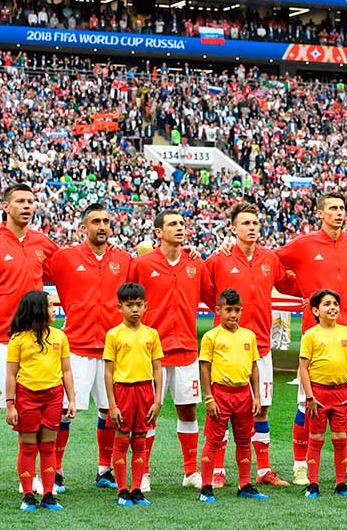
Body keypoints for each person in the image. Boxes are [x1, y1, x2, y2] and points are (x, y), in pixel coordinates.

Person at [203, 202, 299, 488]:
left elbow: (288, 284)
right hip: (225, 349)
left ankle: (263, 470)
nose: (252, 228)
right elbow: (202, 286)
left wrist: (317, 288)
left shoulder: (269, 258)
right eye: (246, 223)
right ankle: (218, 470)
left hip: (260, 346)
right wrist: (220, 314)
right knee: (222, 411)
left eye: (256, 223)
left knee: (261, 409)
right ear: (233, 228)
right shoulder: (218, 259)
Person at [276, 193, 347, 484]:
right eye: (333, 208)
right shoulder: (303, 244)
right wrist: (298, 289)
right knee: (307, 403)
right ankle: (300, 464)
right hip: (314, 333)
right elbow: (273, 263)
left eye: (342, 208)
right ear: (320, 213)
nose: (339, 213)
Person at [45, 203, 133, 491]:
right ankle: (55, 472)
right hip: (76, 347)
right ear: (84, 227)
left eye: (106, 221)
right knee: (64, 412)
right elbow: (33, 261)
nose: (102, 226)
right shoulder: (65, 258)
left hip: (112, 349)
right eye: (96, 221)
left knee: (110, 411)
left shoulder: (124, 259)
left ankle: (104, 471)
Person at [127, 209, 204, 491]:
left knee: (188, 410)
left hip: (186, 349)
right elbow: (127, 299)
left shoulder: (196, 264)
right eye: (173, 224)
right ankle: (143, 472)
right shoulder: (142, 264)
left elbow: (211, 294)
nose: (180, 228)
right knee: (148, 412)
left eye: (182, 223)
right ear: (159, 232)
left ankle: (190, 472)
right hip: (151, 352)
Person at [0, 184, 58, 464]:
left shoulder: (43, 243)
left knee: (37, 409)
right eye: (20, 201)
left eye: (31, 201)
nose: (27, 206)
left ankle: (30, 479)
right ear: (5, 206)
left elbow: (73, 264)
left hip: (35, 340)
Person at [5, 291, 76, 512]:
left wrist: (71, 399)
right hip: (27, 397)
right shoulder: (18, 339)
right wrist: (10, 404)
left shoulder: (59, 337)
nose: (54, 309)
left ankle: (48, 494)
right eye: (49, 306)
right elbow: (10, 374)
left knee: (48, 447)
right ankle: (28, 495)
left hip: (53, 397)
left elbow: (66, 370)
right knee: (28, 447)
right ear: (36, 309)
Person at [198, 289, 267, 504]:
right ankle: (206, 486)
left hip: (243, 394)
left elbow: (254, 367)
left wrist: (256, 396)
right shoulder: (211, 337)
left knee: (244, 440)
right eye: (228, 310)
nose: (233, 314)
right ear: (218, 310)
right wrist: (209, 397)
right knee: (214, 440)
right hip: (221, 394)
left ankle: (244, 484)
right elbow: (205, 368)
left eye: (237, 310)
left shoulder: (249, 336)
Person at [103, 282, 163, 507]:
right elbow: (108, 372)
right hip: (123, 391)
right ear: (120, 307)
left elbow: (157, 368)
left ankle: (137, 489)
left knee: (140, 442)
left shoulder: (152, 334)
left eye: (139, 305)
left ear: (146, 306)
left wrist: (157, 400)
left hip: (145, 391)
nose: (135, 309)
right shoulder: (114, 335)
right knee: (121, 441)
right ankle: (121, 490)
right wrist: (112, 404)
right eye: (129, 305)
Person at [298, 289, 347, 499]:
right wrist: (309, 396)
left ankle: (341, 483)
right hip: (318, 394)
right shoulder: (310, 335)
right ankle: (313, 483)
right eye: (327, 304)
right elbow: (303, 368)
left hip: (341, 393)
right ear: (315, 310)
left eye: (335, 303)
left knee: (341, 437)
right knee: (315, 437)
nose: (332, 307)